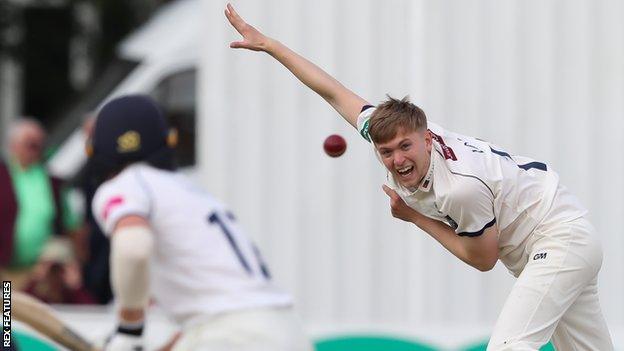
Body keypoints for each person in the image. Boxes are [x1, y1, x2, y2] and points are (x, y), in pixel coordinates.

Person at [225, 4, 614, 351]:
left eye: (405, 147)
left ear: (427, 139)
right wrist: (271, 46)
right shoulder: (388, 128)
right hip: (565, 238)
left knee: (509, 346)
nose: (397, 160)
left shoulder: (459, 187)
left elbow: (481, 258)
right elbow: (330, 90)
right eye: (387, 152)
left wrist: (415, 218)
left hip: (557, 238)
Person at [89, 95, 311, 351]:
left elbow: (133, 249)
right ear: (167, 140)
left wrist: (128, 331)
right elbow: (212, 313)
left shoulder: (124, 185)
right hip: (286, 331)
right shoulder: (190, 193)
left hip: (232, 337)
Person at [0, 118, 81, 291]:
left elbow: (70, 225)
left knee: (35, 315)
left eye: (38, 145)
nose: (36, 150)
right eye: (30, 144)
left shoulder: (51, 181)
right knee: (6, 313)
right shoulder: (3, 175)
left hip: (40, 273)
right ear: (13, 145)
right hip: (6, 271)